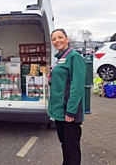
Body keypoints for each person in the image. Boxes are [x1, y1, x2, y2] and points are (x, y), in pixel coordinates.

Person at [48, 29, 86, 165]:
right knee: (64, 145)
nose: (57, 41)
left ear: (67, 38)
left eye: (60, 37)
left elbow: (77, 86)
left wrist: (71, 111)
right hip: (59, 111)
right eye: (54, 39)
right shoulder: (60, 58)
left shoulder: (74, 57)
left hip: (68, 112)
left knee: (72, 148)